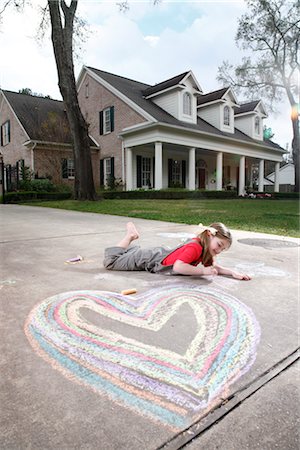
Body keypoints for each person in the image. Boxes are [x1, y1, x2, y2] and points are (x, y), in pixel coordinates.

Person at [103, 222, 251, 280]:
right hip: (149, 259)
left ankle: (130, 250)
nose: (219, 250)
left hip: (158, 255)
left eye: (223, 249)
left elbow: (213, 268)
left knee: (124, 257)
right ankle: (130, 236)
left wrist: (232, 272)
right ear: (209, 235)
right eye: (219, 245)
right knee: (111, 262)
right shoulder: (195, 247)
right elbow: (178, 267)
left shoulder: (206, 250)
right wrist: (203, 272)